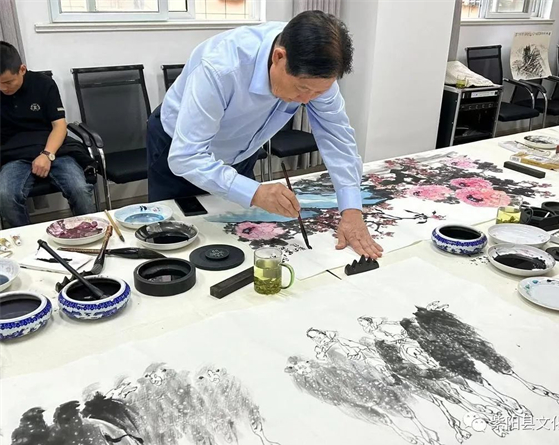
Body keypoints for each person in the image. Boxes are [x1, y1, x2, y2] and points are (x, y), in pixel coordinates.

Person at [147, 11, 383, 259]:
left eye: (317, 93)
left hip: (242, 147)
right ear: (278, 57)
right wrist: (255, 192)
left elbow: (337, 137)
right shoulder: (221, 66)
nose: (306, 100)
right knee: (173, 242)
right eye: (302, 89)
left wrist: (351, 210)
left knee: (237, 238)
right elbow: (186, 156)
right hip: (178, 145)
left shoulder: (317, 73)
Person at [0, 41, 96, 228]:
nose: (3, 88)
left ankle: (89, 233)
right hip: (15, 155)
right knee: (5, 196)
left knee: (79, 189)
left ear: (22, 70)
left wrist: (46, 154)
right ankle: (26, 238)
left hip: (54, 150)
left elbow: (59, 126)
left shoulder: (43, 84)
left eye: (8, 82)